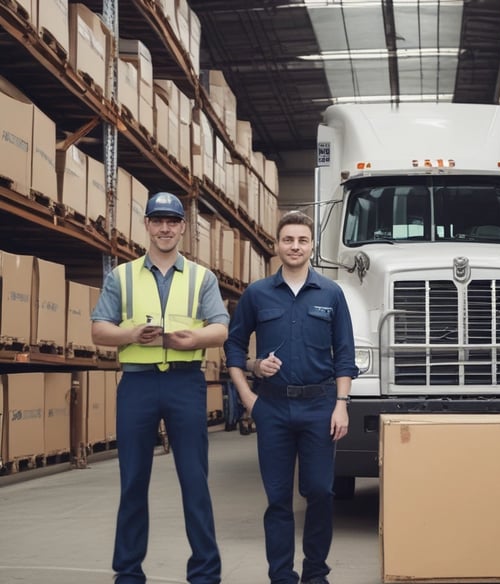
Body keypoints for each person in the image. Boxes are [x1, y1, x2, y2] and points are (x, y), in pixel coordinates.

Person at [91, 191, 229, 584]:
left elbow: (221, 327)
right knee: (133, 480)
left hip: (186, 383)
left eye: (172, 221)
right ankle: (128, 572)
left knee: (194, 479)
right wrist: (132, 333)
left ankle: (205, 573)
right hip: (138, 383)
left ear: (183, 227)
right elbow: (99, 329)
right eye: (158, 221)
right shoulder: (121, 275)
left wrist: (194, 341)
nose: (165, 228)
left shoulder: (203, 277)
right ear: (148, 226)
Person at [224, 210, 358, 584]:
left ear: (312, 245)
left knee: (320, 492)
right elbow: (233, 346)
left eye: (302, 240)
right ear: (277, 245)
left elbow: (344, 353)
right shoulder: (257, 294)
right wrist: (249, 390)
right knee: (278, 499)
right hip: (274, 408)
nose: (295, 246)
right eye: (288, 240)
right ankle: (281, 576)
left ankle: (315, 574)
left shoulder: (331, 293)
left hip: (319, 406)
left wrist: (341, 405)